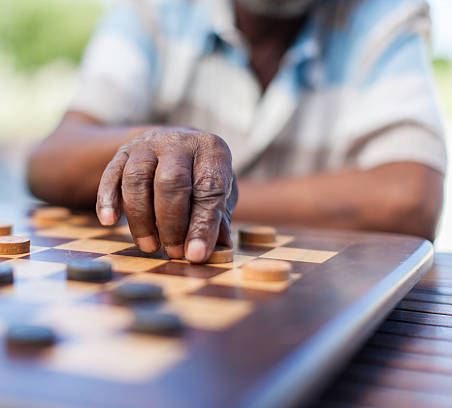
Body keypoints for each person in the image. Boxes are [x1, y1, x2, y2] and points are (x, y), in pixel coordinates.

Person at [27, 0, 446, 263]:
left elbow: (408, 200)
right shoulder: (153, 9)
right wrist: (154, 145)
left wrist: (201, 198)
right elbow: (49, 161)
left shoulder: (383, 11)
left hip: (310, 317)